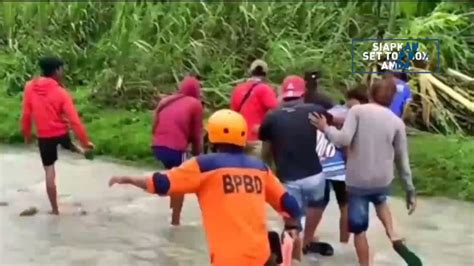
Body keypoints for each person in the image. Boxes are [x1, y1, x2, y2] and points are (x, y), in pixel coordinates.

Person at [109, 109, 302, 266]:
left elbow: (162, 183)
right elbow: (289, 204)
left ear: (212, 136)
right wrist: (292, 226)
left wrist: (129, 178)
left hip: (227, 260)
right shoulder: (260, 169)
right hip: (262, 257)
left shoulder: (203, 166)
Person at [310, 78, 421, 266]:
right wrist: (410, 190)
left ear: (370, 93)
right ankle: (393, 235)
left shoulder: (357, 111)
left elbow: (343, 139)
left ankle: (365, 264)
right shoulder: (396, 122)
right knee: (380, 201)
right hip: (382, 180)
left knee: (359, 229)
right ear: (392, 99)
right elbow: (402, 160)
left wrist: (325, 128)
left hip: (358, 182)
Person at [259, 75, 333, 260]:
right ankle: (308, 241)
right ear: (303, 94)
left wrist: (266, 174)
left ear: (283, 95)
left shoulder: (272, 117)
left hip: (288, 179)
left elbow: (266, 150)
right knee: (318, 203)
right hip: (315, 176)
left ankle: (293, 256)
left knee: (292, 225)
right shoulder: (314, 110)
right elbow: (334, 124)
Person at [20, 56, 94, 215]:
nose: (63, 71)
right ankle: (82, 150)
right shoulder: (60, 92)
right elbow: (75, 121)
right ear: (57, 70)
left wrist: (27, 135)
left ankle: (55, 209)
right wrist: (86, 141)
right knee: (68, 142)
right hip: (60, 132)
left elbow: (26, 115)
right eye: (62, 68)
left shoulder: (29, 87)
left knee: (49, 171)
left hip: (44, 136)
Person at [316, 86, 369, 245]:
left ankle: (307, 238)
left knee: (317, 206)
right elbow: (347, 146)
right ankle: (343, 244)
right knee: (345, 205)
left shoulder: (333, 110)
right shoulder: (358, 115)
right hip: (340, 168)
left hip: (321, 165)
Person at [151, 75, 203, 226]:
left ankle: (165, 195)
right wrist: (200, 157)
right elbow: (197, 135)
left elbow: (154, 126)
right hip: (175, 148)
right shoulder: (195, 104)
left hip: (158, 146)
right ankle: (175, 221)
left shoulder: (166, 101)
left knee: (174, 177)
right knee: (181, 183)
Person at [230, 59, 278, 157]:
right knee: (256, 170)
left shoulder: (238, 89)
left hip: (239, 138)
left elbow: (232, 114)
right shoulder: (265, 89)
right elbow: (277, 111)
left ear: (250, 73)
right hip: (256, 139)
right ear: (265, 74)